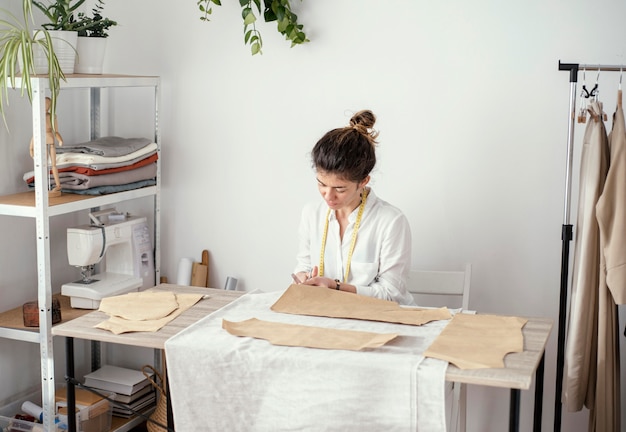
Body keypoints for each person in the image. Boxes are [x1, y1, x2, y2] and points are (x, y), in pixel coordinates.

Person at [293, 109, 415, 305]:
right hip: (328, 316)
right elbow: (304, 265)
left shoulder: (390, 221)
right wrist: (303, 278)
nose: (328, 196)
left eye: (340, 189)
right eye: (321, 184)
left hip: (380, 318)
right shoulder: (311, 214)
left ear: (364, 181)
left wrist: (335, 287)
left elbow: (392, 294)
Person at [29, 97, 63, 197]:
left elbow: (56, 131)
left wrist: (60, 140)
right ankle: (42, 187)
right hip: (40, 141)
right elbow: (35, 133)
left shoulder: (52, 117)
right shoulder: (38, 117)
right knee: (42, 165)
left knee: (53, 165)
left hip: (51, 142)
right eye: (44, 104)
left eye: (48, 105)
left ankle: (58, 185)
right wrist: (32, 151)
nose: (46, 107)